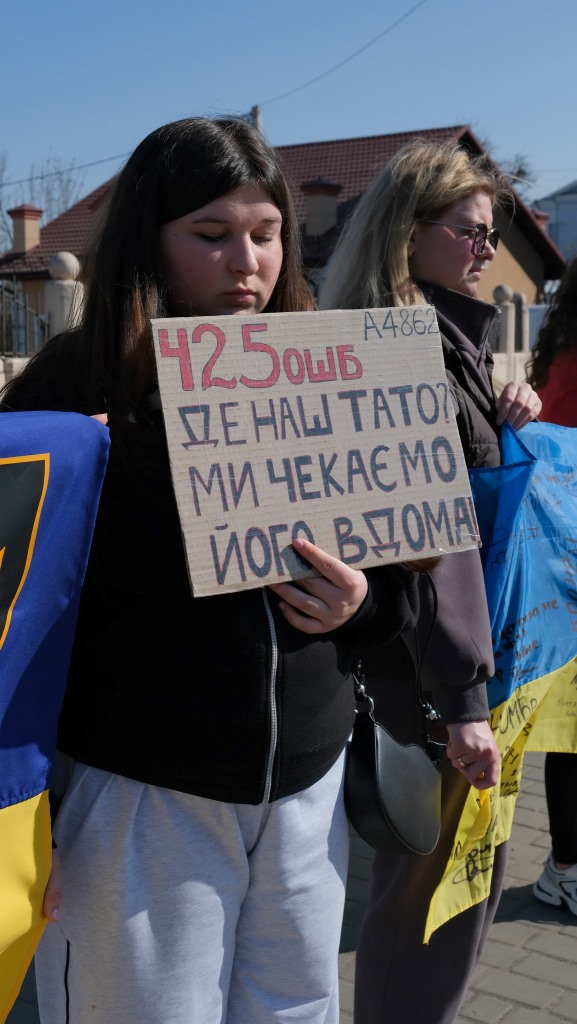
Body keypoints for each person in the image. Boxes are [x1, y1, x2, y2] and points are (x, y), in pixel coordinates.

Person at [0, 116, 423, 1024]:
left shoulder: (330, 367)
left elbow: (401, 585)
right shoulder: (71, 390)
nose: (247, 263)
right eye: (211, 234)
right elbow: (15, 619)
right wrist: (26, 819)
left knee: (296, 1009)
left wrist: (359, 604)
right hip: (142, 800)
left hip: (307, 788)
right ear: (147, 239)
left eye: (266, 234)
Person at [318, 138, 542, 1024]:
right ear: (405, 233)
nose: (488, 249)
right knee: (434, 903)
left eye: (492, 234)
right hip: (432, 679)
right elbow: (427, 545)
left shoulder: (444, 343)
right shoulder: (395, 353)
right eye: (469, 230)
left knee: (453, 887)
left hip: (460, 669)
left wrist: (506, 410)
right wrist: (461, 703)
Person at [526, 256, 577, 917]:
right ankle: (562, 868)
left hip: (559, 553)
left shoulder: (559, 344)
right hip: (565, 557)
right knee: (572, 729)